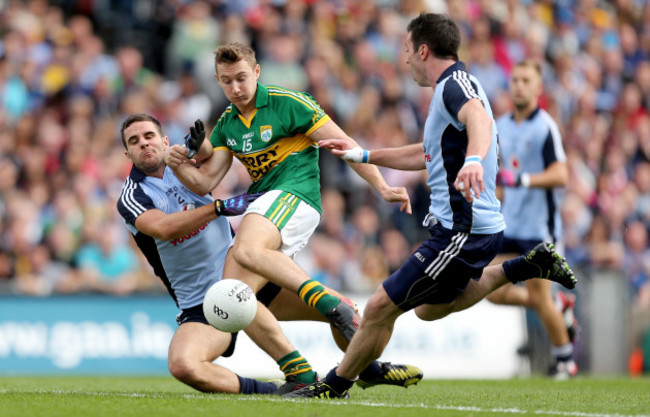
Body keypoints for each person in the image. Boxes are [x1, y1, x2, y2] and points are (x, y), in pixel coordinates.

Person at [287, 13, 577, 399]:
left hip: (462, 231)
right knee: (429, 309)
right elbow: (424, 154)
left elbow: (480, 120)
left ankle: (334, 386)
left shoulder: (452, 87)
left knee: (378, 307)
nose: (404, 59)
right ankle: (526, 265)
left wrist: (474, 160)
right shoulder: (458, 83)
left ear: (423, 50)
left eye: (407, 50)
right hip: (478, 227)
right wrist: (365, 154)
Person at [117, 114, 422, 395]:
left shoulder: (183, 162)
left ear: (164, 141)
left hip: (246, 271)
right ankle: (277, 390)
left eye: (148, 135)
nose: (143, 142)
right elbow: (164, 228)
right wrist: (219, 207)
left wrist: (205, 146)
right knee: (184, 366)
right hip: (201, 302)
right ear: (127, 154)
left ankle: (365, 370)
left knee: (346, 314)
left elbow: (211, 155)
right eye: (134, 141)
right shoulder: (132, 194)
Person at [164, 42, 412, 348]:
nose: (236, 87)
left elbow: (345, 144)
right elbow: (205, 182)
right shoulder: (227, 124)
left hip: (295, 194)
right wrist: (175, 163)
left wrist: (382, 186)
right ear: (217, 81)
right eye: (227, 81)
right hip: (266, 205)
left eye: (241, 78)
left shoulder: (289, 103)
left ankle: (330, 304)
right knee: (234, 296)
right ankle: (341, 366)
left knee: (245, 249)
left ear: (257, 72)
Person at [491, 59, 578, 379]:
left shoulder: (546, 127)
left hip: (540, 229)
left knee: (541, 297)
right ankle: (560, 308)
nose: (519, 86)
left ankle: (565, 361)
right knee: (492, 290)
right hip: (510, 224)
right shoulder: (500, 124)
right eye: (515, 80)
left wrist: (524, 180)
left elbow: (561, 173)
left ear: (538, 88)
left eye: (526, 80)